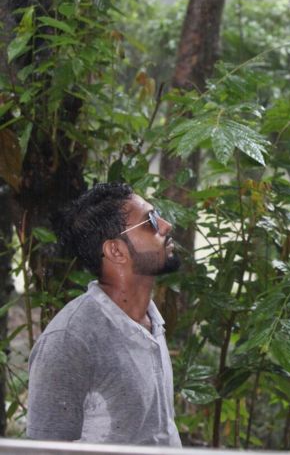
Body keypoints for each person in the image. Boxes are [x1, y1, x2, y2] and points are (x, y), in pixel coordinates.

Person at [27, 183, 182, 446]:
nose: (166, 226)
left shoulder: (150, 320)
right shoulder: (70, 340)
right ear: (116, 251)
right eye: (150, 222)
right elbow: (44, 450)